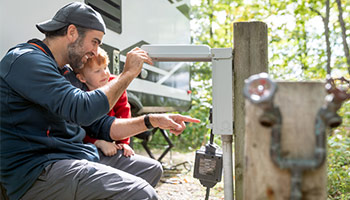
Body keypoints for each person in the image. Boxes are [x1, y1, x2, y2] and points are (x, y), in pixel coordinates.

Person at [0, 2, 200, 200]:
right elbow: (82, 110)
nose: (95, 52)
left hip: (72, 156)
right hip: (39, 171)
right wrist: (127, 74)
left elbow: (101, 124)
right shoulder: (26, 61)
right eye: (94, 42)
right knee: (141, 192)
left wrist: (151, 120)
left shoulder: (64, 72)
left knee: (150, 170)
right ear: (72, 32)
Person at [74, 46, 134, 157]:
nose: (105, 73)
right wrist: (97, 142)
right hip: (87, 141)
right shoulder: (79, 93)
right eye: (97, 71)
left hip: (112, 131)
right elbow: (78, 128)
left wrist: (123, 142)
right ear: (82, 78)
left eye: (106, 67)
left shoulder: (115, 85)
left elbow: (123, 112)